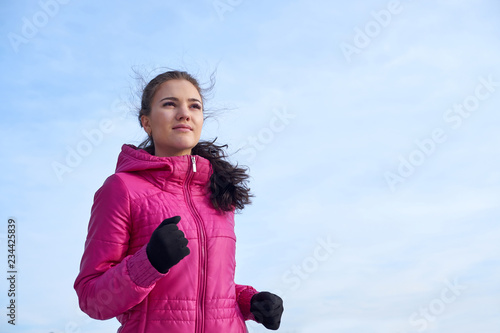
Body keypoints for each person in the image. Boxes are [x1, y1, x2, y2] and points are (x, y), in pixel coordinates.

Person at [74, 70, 284, 332]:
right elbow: (92, 298)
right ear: (146, 122)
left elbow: (203, 292)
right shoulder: (121, 189)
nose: (184, 113)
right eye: (170, 104)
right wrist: (149, 263)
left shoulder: (217, 192)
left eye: (194, 106)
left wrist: (249, 301)